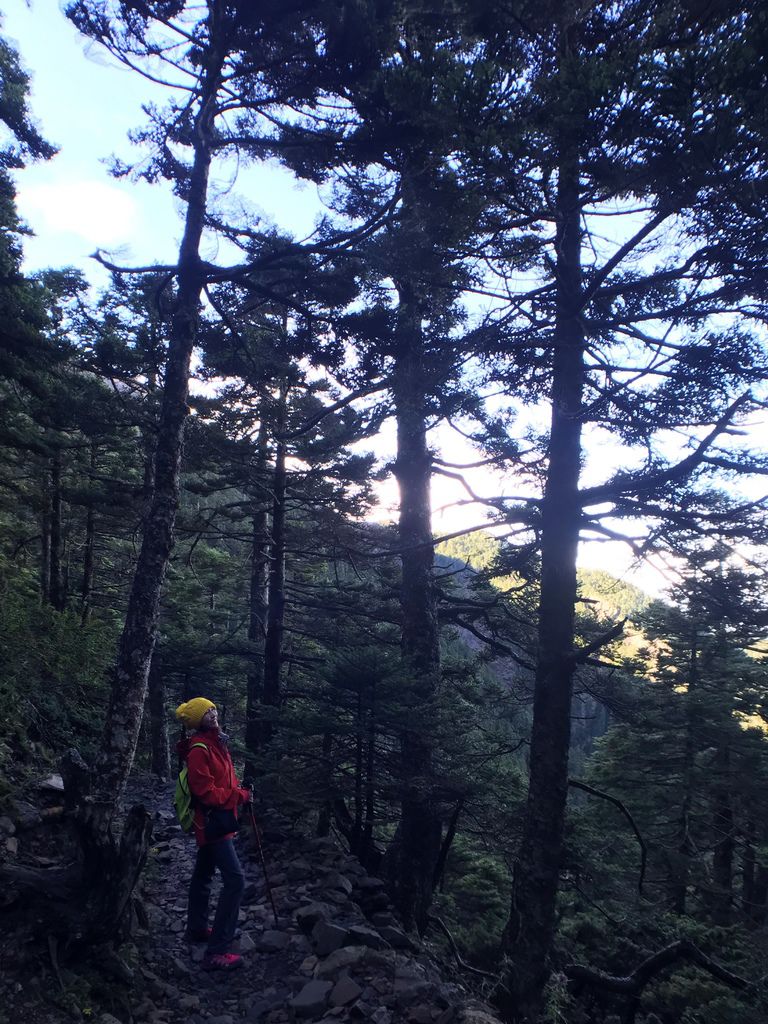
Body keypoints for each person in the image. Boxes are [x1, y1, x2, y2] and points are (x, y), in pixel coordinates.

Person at [175, 697, 251, 971]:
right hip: (212, 821)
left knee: (204, 874)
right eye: (206, 712)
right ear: (197, 720)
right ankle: (217, 951)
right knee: (236, 881)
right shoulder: (199, 749)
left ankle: (196, 928)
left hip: (215, 820)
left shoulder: (217, 741)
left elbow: (222, 779)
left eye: (213, 709)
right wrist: (240, 796)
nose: (213, 713)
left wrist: (236, 791)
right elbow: (205, 793)